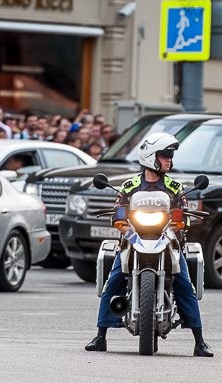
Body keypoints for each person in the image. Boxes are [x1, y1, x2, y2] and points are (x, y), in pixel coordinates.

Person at [85, 132, 213, 357]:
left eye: (170, 156)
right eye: (165, 155)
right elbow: (117, 217)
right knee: (112, 282)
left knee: (185, 285)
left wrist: (176, 225)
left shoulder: (175, 188)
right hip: (133, 242)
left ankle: (199, 341)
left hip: (168, 243)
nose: (169, 160)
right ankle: (101, 336)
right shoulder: (129, 186)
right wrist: (126, 228)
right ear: (151, 157)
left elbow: (186, 219)